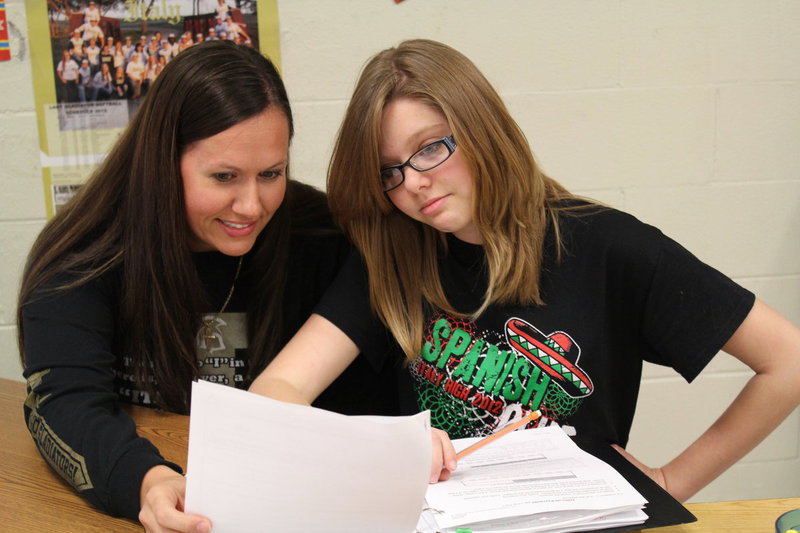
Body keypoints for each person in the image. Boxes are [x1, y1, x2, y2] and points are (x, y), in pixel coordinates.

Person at [249, 39, 800, 500]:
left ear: (482, 127)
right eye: (389, 169)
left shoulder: (608, 246)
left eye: (431, 147)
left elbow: (788, 360)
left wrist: (669, 481)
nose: (412, 182)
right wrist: (373, 443)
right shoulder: (394, 258)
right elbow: (277, 387)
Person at [19, 40, 399, 532]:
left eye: (271, 174)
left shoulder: (325, 239)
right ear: (163, 163)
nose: (251, 206)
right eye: (223, 177)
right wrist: (147, 481)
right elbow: (62, 402)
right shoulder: (86, 254)